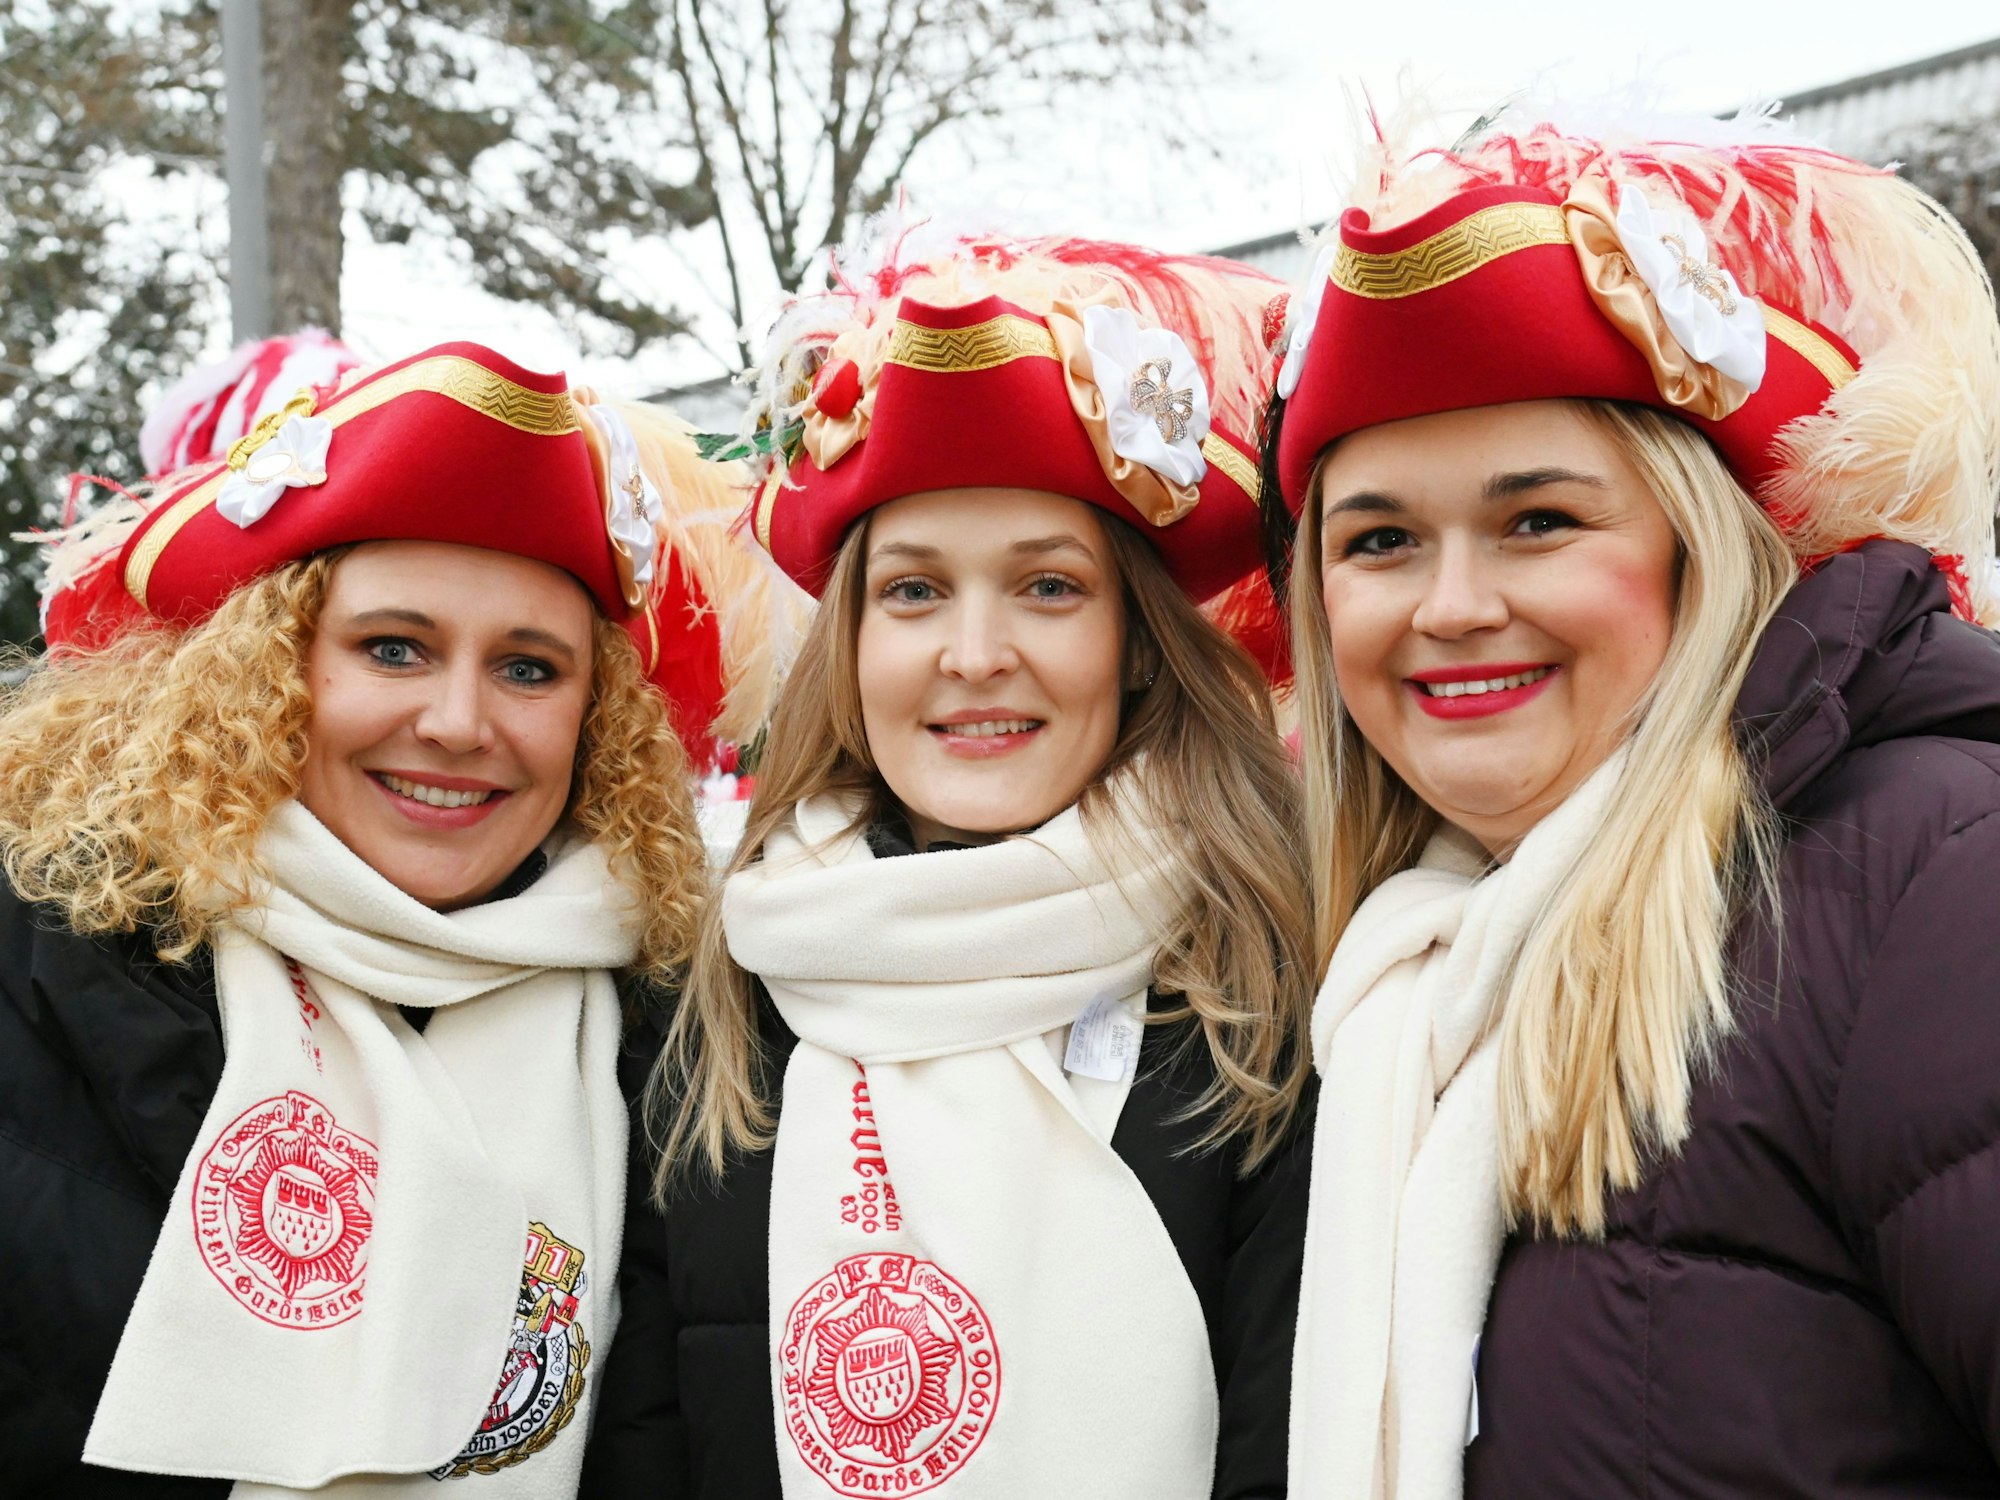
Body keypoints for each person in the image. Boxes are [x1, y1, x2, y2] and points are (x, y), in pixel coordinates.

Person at [1265, 107, 2000, 1499]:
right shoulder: (1394, 973)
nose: (1454, 606)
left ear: (1697, 552)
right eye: (1380, 542)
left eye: (1538, 519)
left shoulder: (1938, 882)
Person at [583, 232, 1316, 1499]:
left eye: (1045, 587)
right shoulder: (724, 993)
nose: (973, 653)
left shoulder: (1262, 990)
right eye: (914, 593)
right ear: (852, 648)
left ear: (1138, 645)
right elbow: (649, 1428)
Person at [0, 340, 714, 1497]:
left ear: (596, 723)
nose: (456, 721)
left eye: (528, 670)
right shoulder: (42, 953)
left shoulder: (691, 1041)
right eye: (394, 648)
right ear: (266, 671)